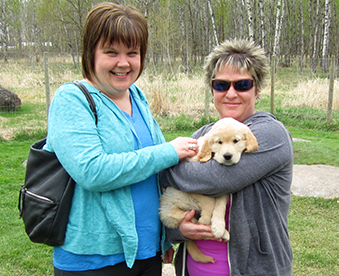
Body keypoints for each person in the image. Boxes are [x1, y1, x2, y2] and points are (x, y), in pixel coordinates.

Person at [43, 2, 198, 275]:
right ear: (91, 52)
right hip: (93, 259)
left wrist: (163, 236)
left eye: (133, 53)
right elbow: (93, 171)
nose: (123, 62)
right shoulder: (72, 99)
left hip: (146, 253)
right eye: (111, 52)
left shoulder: (136, 96)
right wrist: (169, 151)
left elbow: (152, 174)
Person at [160, 39, 293, 276]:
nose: (231, 93)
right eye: (221, 85)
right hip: (194, 269)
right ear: (212, 90)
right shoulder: (203, 134)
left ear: (257, 89)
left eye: (242, 84)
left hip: (254, 270)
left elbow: (216, 179)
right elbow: (175, 193)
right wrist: (179, 231)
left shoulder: (271, 134)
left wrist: (164, 161)